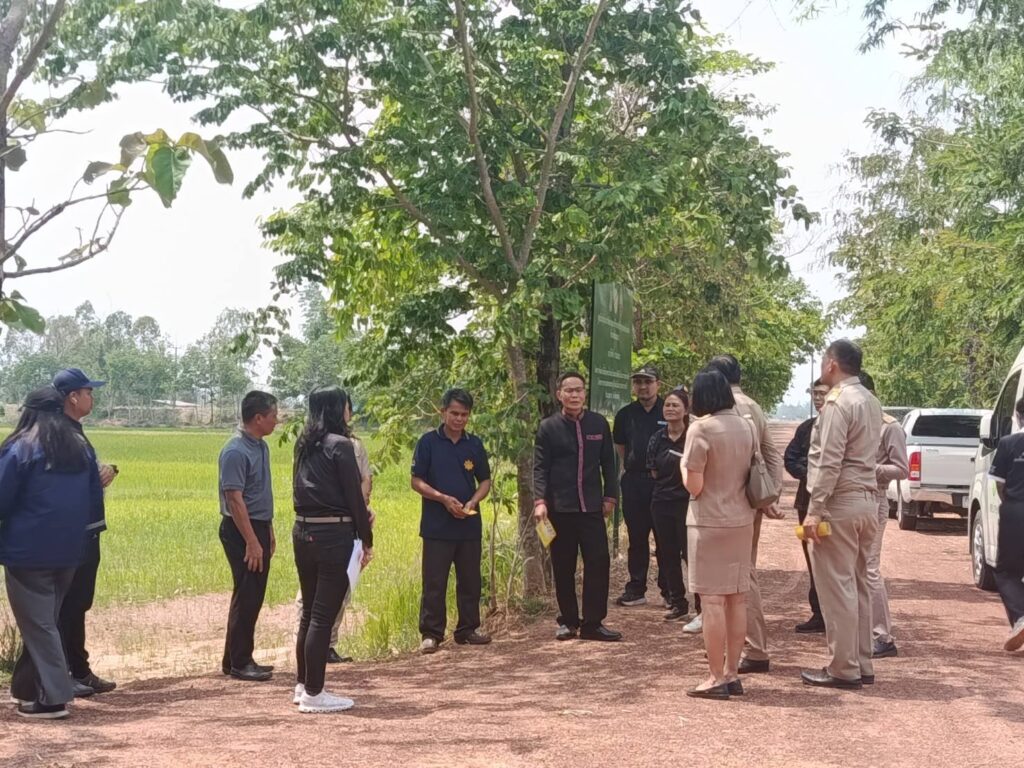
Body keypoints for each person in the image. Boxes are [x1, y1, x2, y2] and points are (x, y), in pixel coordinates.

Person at [1, 386, 103, 719]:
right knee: (48, 622)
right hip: (71, 550)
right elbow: (93, 498)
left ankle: (54, 698)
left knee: (40, 625)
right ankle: (30, 688)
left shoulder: (21, 447)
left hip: (27, 552)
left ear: (28, 412)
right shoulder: (80, 447)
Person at [800, 339, 882, 689]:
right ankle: (862, 662)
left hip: (840, 503)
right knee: (859, 585)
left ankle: (843, 668)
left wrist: (814, 510)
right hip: (867, 501)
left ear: (832, 364)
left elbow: (829, 460)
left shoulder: (838, 402)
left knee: (837, 588)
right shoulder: (870, 400)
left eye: (823, 361)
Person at [291, 387, 374, 713]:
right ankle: (315, 693)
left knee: (310, 612)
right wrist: (366, 538)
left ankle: (303, 685)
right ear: (339, 409)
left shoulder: (303, 443)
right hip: (333, 534)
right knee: (323, 615)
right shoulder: (341, 445)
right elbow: (355, 497)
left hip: (303, 530)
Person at [681, 369, 756, 700]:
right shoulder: (747, 426)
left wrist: (682, 467)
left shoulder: (701, 428)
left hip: (709, 522)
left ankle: (715, 676)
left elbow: (694, 485)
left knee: (711, 601)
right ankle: (732, 672)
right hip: (741, 520)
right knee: (737, 599)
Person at [705, 355, 783, 675]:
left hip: (726, 506)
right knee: (741, 574)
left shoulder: (725, 408)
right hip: (748, 501)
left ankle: (754, 648)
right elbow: (771, 454)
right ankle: (741, 646)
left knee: (737, 578)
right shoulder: (753, 405)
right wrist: (768, 495)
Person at [534, 372, 621, 641]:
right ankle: (568, 621)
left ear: (585, 393)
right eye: (569, 390)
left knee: (598, 562)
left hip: (592, 508)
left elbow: (609, 464)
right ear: (559, 394)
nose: (574, 395)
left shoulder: (598, 424)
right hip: (560, 509)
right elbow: (540, 468)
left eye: (579, 390)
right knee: (563, 566)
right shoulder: (548, 427)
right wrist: (540, 502)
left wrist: (610, 497)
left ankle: (593, 623)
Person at [411, 388, 493, 654]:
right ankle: (431, 634)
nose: (459, 419)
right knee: (434, 582)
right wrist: (443, 499)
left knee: (470, 580)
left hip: (468, 524)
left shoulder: (474, 444)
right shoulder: (428, 442)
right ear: (443, 411)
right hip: (437, 525)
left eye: (464, 415)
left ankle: (467, 629)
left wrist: (473, 502)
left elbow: (485, 481)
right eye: (454, 413)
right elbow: (416, 481)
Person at [52, 367, 117, 697]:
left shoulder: (74, 431)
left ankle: (78, 669)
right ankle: (66, 673)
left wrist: (104, 474)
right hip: (74, 534)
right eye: (88, 392)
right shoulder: (62, 434)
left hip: (86, 531)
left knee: (77, 604)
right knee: (69, 605)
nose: (92, 397)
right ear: (73, 397)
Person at [218, 390, 279, 682]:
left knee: (250, 593)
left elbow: (260, 494)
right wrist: (252, 542)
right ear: (258, 418)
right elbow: (234, 499)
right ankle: (241, 662)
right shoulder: (235, 451)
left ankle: (234, 658)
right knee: (248, 593)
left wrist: (268, 531)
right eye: (273, 416)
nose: (276, 421)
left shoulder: (260, 447)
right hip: (242, 529)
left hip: (259, 526)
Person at [859, 371, 908, 660]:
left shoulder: (889, 427)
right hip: (849, 501)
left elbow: (901, 469)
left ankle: (882, 636)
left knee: (869, 569)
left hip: (874, 498)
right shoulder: (852, 423)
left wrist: (869, 469)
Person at [613, 364, 668, 607]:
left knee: (665, 538)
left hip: (663, 483)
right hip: (634, 482)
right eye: (638, 382)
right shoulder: (625, 415)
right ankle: (636, 589)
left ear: (658, 384)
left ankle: (669, 590)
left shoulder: (669, 409)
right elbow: (621, 447)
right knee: (636, 538)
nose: (643, 386)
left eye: (648, 381)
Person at [783, 379, 831, 633]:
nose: (818, 398)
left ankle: (839, 616)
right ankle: (819, 613)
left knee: (835, 561)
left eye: (823, 393)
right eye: (815, 393)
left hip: (836, 504)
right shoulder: (806, 428)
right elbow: (790, 459)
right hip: (807, 502)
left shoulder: (842, 427)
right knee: (813, 558)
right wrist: (810, 475)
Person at [646, 386, 696, 622]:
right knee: (667, 554)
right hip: (661, 502)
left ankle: (702, 605)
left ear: (686, 410)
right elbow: (653, 470)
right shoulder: (657, 438)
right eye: (667, 405)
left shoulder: (693, 436)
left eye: (676, 405)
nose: (670, 409)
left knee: (691, 554)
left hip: (687, 503)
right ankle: (678, 602)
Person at [990, 397, 1024, 652]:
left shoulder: (1008, 443)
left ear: (1019, 416)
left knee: (1006, 571)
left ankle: (1021, 617)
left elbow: (999, 484)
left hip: (1016, 511)